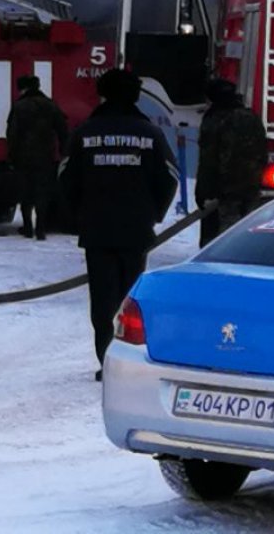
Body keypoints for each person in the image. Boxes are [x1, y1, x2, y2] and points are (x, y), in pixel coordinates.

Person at [59, 68, 178, 380]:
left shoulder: (85, 134)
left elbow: (64, 179)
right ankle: (130, 361)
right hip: (135, 231)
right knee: (130, 299)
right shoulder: (149, 134)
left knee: (103, 301)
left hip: (97, 231)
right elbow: (170, 177)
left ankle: (107, 361)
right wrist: (153, 212)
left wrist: (79, 215)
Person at [194, 78, 268, 248]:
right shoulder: (251, 117)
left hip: (223, 193)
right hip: (251, 189)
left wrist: (202, 193)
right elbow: (263, 153)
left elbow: (208, 161)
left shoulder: (215, 119)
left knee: (222, 242)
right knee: (248, 235)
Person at [5, 74, 70, 239]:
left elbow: (12, 134)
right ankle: (40, 228)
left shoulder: (19, 106)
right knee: (42, 192)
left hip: (23, 156)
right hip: (46, 155)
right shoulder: (50, 105)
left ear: (23, 88)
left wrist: (11, 156)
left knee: (25, 193)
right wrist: (64, 151)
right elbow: (62, 129)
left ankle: (27, 227)